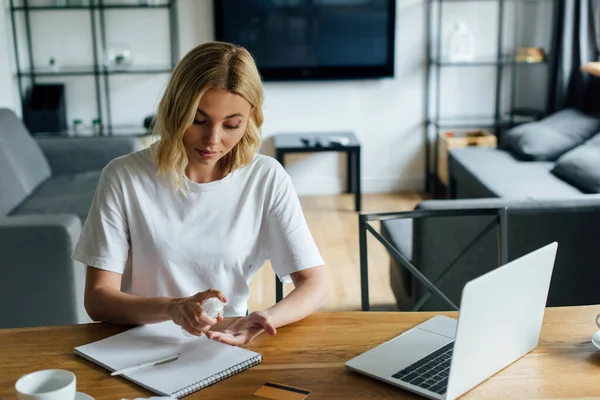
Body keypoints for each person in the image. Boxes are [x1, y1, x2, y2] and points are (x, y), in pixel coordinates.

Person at [72, 41, 329, 346]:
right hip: (137, 343)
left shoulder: (265, 178)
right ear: (175, 109)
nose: (213, 140)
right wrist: (173, 308)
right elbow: (98, 299)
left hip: (224, 342)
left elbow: (316, 284)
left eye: (232, 125)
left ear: (249, 120)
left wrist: (266, 318)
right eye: (199, 120)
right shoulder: (124, 177)